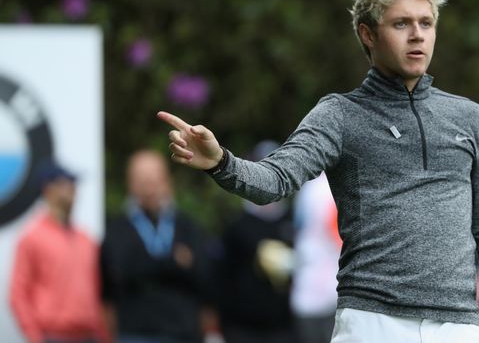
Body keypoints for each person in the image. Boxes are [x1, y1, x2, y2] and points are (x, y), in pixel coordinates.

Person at [158, 0, 479, 343]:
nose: (417, 35)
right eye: (401, 24)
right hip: (372, 323)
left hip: (459, 326)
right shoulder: (340, 114)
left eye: (426, 23)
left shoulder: (469, 117)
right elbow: (278, 178)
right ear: (368, 34)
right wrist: (222, 162)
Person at [100, 150, 219, 343]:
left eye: (154, 181)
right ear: (130, 184)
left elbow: (204, 275)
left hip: (184, 333)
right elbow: (120, 272)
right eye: (142, 182)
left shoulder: (188, 226)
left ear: (167, 182)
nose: (149, 189)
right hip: (135, 333)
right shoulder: (117, 229)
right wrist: (174, 262)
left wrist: (147, 265)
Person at [9, 160, 110, 343]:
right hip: (53, 335)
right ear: (48, 189)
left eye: (73, 182)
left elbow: (96, 291)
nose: (73, 188)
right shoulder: (32, 237)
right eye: (65, 182)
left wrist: (102, 333)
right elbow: (18, 294)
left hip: (89, 336)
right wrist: (35, 337)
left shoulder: (86, 239)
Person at [216, 140, 297, 343]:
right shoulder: (237, 226)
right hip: (242, 329)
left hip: (284, 328)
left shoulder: (293, 220)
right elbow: (222, 277)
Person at [291, 171, 341, 343]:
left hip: (309, 272)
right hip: (329, 277)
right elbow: (336, 231)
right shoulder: (332, 186)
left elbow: (298, 225)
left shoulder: (309, 185)